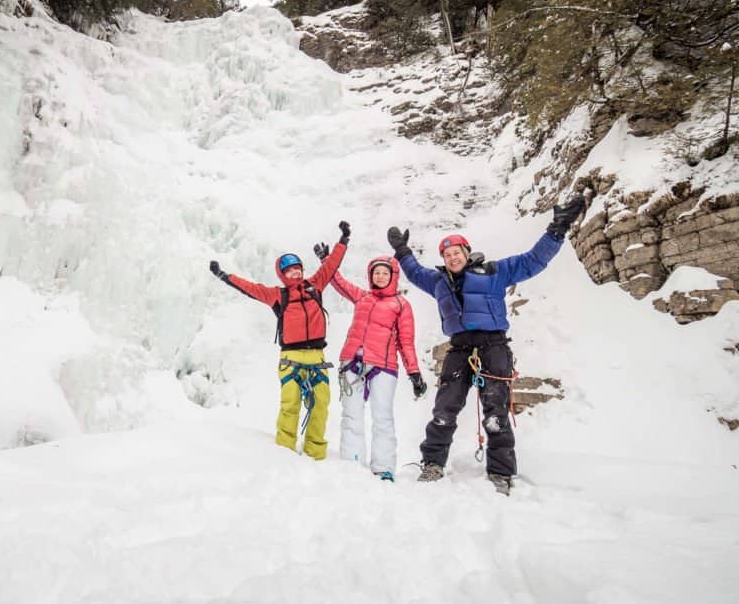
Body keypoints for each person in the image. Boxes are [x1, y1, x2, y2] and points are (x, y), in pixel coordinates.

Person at [386, 196, 586, 494]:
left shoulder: (494, 272)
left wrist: (557, 229)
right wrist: (401, 251)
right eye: (447, 254)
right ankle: (433, 464)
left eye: (457, 252)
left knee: (496, 412)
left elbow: (533, 261)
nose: (453, 257)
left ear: (467, 252)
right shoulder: (438, 281)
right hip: (460, 348)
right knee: (444, 409)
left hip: (493, 347)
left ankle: (500, 473)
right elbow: (414, 272)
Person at [209, 221, 350, 460]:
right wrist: (224, 276)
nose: (295, 273)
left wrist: (344, 240)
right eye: (289, 271)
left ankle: (315, 452)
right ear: (282, 275)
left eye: (297, 269)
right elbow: (250, 288)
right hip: (291, 358)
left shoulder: (315, 286)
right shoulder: (277, 295)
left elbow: (332, 265)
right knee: (290, 404)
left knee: (320, 404)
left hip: (317, 356)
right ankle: (284, 453)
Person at [313, 243, 424, 482]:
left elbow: (406, 342)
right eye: (376, 272)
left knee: (382, 416)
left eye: (385, 272)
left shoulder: (401, 305)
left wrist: (414, 372)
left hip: (383, 366)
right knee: (351, 414)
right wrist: (326, 261)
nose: (380, 276)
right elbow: (338, 282)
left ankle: (383, 467)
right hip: (352, 361)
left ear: (392, 276)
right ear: (370, 275)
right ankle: (351, 462)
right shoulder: (362, 297)